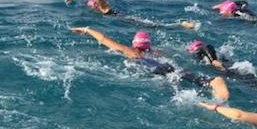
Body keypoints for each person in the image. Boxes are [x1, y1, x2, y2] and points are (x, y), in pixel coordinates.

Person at [70, 27, 229, 97]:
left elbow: (105, 39)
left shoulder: (132, 52)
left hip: (157, 71)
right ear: (148, 44)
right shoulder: (157, 52)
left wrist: (87, 29)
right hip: (169, 66)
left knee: (174, 89)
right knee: (186, 76)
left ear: (134, 44)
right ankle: (213, 82)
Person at [65, 0, 200, 29]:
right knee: (153, 26)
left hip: (125, 18)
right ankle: (179, 24)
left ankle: (181, 24)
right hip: (124, 21)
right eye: (91, 5)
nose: (94, 5)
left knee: (155, 26)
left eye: (94, 3)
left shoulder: (105, 7)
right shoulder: (99, 12)